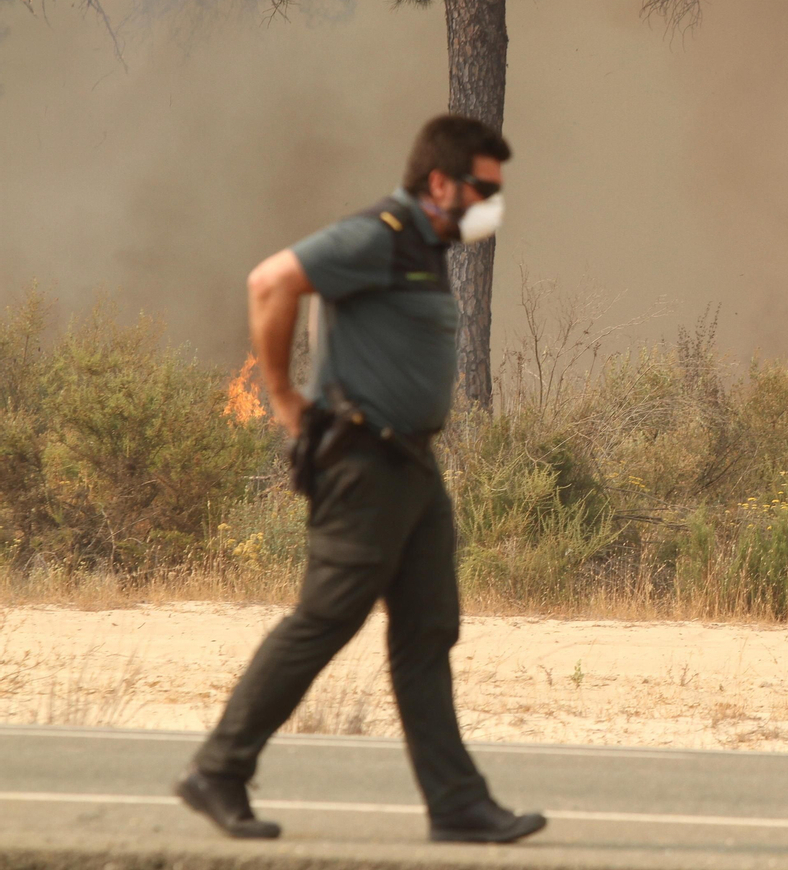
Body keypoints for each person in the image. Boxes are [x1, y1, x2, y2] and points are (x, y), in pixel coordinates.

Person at [174, 115, 545, 845]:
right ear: (439, 181)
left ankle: (457, 804)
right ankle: (219, 769)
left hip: (412, 465)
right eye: (480, 189)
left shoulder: (428, 247)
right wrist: (282, 397)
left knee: (427, 630)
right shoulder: (377, 232)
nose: (487, 205)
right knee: (325, 618)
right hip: (362, 464)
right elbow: (271, 279)